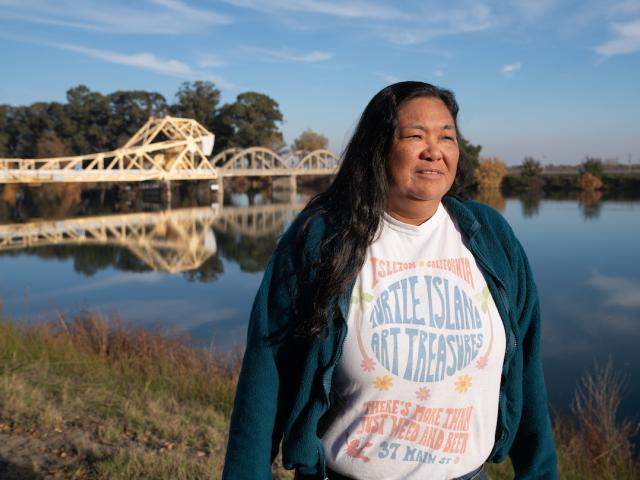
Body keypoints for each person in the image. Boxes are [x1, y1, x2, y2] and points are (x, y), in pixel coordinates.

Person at [222, 81, 557, 480]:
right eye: (415, 136)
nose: (434, 150)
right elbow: (267, 373)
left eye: (446, 137)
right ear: (378, 147)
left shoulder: (491, 235)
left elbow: (526, 367)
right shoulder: (320, 238)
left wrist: (538, 472)